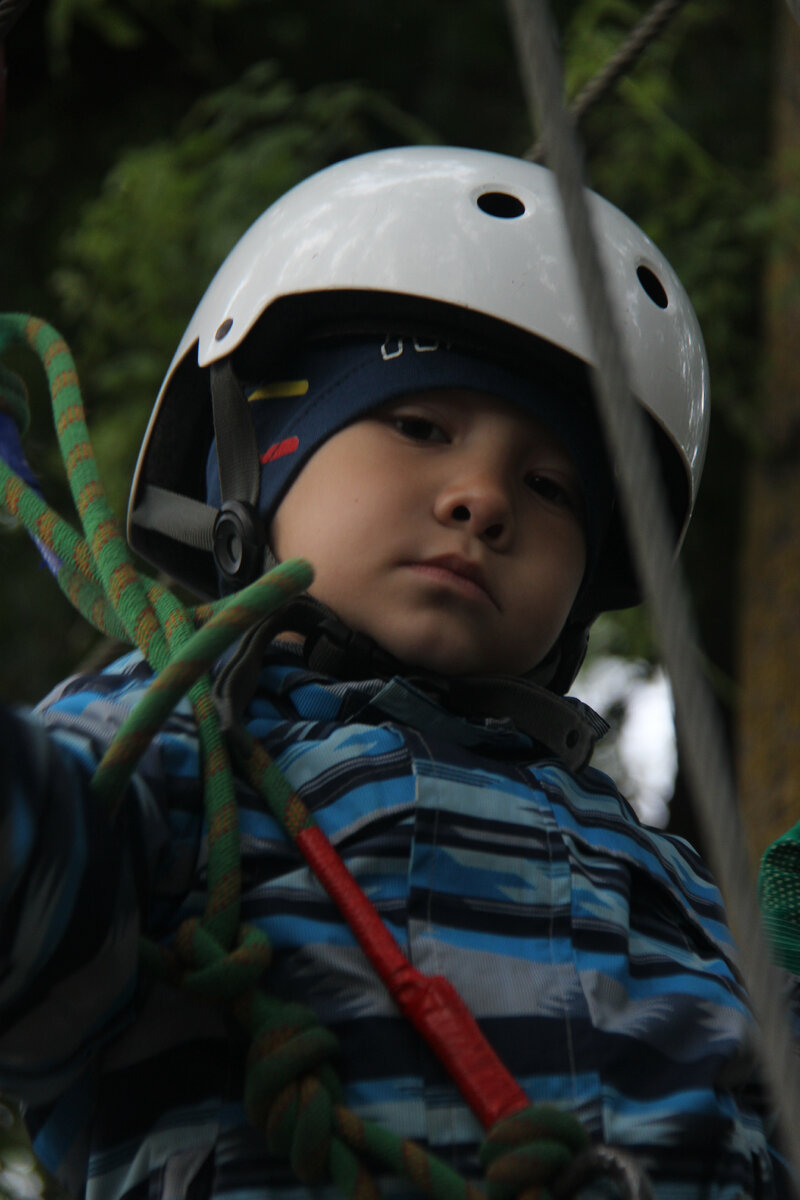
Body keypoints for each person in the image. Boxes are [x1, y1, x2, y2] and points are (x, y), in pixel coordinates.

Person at [0, 147, 787, 1200]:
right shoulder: (181, 750)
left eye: (550, 487)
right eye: (417, 426)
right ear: (251, 466)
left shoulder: (669, 880)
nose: (482, 499)